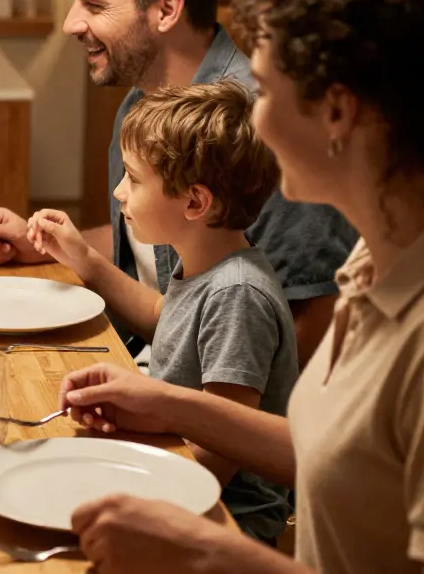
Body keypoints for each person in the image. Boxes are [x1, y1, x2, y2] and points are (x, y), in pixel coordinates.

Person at [57, 0, 424, 574]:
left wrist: (209, 551)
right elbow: (326, 451)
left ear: (336, 114)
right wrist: (169, 402)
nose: (250, 117)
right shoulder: (372, 262)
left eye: (260, 88)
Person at [0, 0, 356, 364]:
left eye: (94, 5)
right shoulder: (139, 103)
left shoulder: (263, 130)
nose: (72, 24)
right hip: (136, 358)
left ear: (167, 9)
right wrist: (46, 244)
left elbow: (299, 332)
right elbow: (153, 243)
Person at [27, 81, 297, 542]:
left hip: (227, 520)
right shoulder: (206, 263)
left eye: (133, 178)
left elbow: (220, 446)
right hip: (176, 468)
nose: (118, 191)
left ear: (195, 201)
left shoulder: (237, 295)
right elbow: (162, 316)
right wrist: (85, 260)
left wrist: (123, 484)